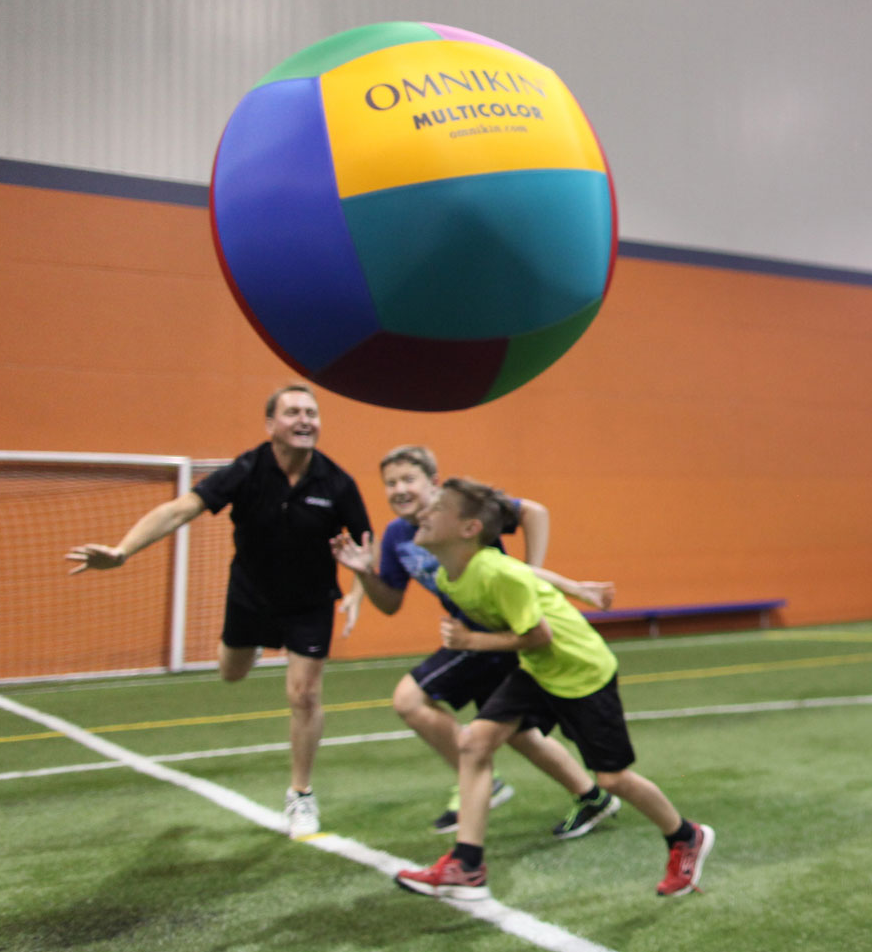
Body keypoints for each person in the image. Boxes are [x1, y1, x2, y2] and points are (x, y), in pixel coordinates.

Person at [66, 383, 368, 839]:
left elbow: (367, 541)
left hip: (310, 601)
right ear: (271, 425)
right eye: (293, 412)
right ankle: (252, 646)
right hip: (250, 594)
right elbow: (180, 509)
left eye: (311, 412)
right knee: (231, 672)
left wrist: (359, 592)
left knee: (304, 694)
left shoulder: (338, 483)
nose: (305, 420)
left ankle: (301, 795)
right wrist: (123, 551)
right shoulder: (247, 470)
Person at [394, 478, 713, 901]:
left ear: (468, 528)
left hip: (580, 670)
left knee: (613, 778)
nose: (423, 513)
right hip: (538, 671)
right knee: (474, 745)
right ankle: (466, 866)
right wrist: (574, 587)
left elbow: (538, 635)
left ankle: (685, 836)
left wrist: (474, 643)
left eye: (436, 508)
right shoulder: (453, 575)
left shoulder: (494, 572)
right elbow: (526, 575)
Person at [332, 444, 621, 838]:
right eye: (390, 483)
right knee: (517, 733)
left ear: (433, 483)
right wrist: (364, 575)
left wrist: (536, 570)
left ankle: (483, 778)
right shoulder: (401, 535)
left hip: (489, 633)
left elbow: (532, 514)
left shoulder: (461, 516)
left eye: (408, 479)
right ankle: (592, 797)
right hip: (477, 633)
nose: (398, 489)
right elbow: (390, 604)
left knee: (409, 698)